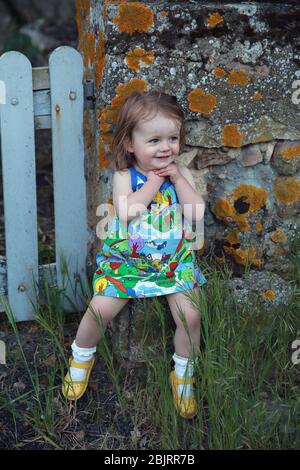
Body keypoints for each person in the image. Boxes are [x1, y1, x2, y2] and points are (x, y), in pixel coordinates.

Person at [62, 91, 207, 419]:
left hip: (172, 261)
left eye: (173, 138)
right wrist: (155, 184)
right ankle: (81, 358)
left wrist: (179, 180)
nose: (166, 147)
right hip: (128, 262)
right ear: (130, 144)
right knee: (100, 309)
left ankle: (183, 376)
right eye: (154, 140)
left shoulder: (178, 173)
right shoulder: (126, 176)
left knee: (192, 314)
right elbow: (127, 211)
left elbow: (196, 212)